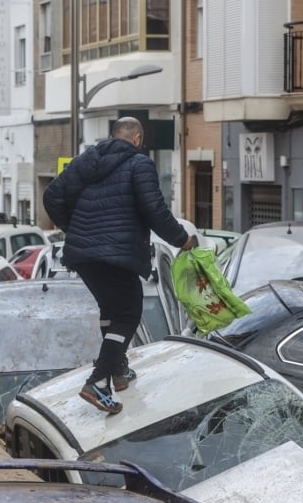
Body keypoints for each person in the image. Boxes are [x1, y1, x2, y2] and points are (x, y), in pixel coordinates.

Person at [43, 116, 196, 415]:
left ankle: (118, 370)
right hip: (117, 254)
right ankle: (98, 381)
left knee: (111, 309)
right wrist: (182, 239)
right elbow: (155, 210)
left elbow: (51, 196)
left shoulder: (86, 160)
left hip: (82, 254)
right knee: (128, 312)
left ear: (113, 136)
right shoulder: (140, 164)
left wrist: (74, 229)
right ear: (137, 139)